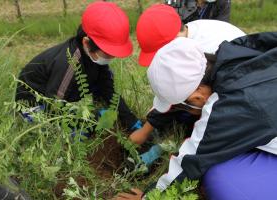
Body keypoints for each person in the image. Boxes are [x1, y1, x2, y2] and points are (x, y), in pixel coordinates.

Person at [115, 33, 277, 199]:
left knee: (221, 180)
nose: (184, 111)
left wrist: (149, 197)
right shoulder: (235, 50)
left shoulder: (228, 107)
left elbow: (191, 162)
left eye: (182, 106)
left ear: (198, 96)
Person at [129, 3, 244, 167]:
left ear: (173, 42)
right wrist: (145, 130)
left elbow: (203, 118)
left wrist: (176, 152)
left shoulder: (210, 53)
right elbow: (173, 94)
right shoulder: (188, 34)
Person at [15, 1, 142, 132]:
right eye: (108, 53)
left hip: (57, 93)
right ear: (86, 43)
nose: (111, 58)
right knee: (79, 131)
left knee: (103, 87)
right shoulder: (69, 64)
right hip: (34, 107)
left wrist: (129, 118)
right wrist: (95, 119)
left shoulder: (93, 55)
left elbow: (107, 87)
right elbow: (53, 107)